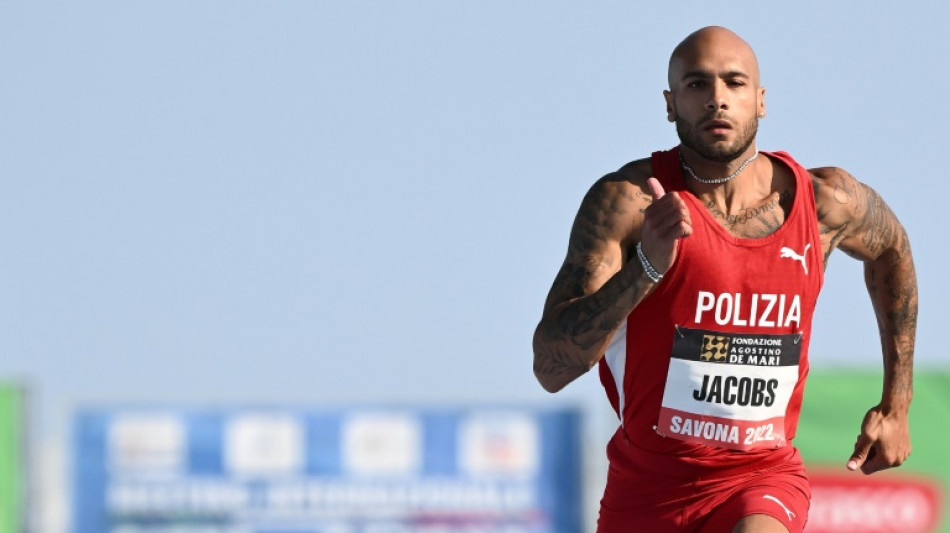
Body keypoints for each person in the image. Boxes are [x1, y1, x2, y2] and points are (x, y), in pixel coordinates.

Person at [532, 26, 917, 533]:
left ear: (760, 101)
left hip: (760, 479)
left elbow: (891, 250)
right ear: (670, 104)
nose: (717, 99)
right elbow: (551, 368)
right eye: (696, 85)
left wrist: (897, 401)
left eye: (734, 83)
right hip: (647, 491)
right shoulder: (629, 203)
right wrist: (647, 267)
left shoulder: (824, 202)